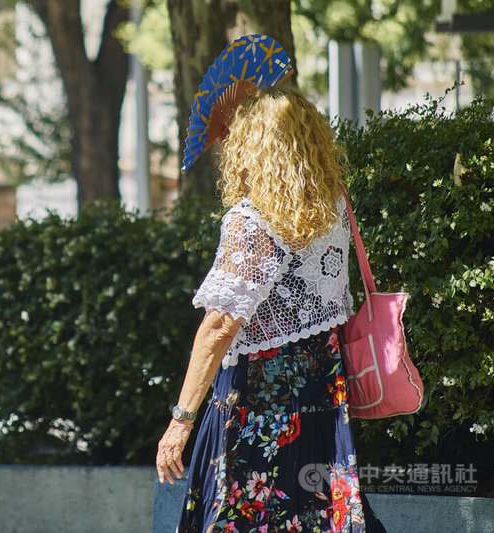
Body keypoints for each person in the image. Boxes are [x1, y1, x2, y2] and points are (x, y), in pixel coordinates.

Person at [156, 84, 386, 533]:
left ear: (253, 146)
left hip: (257, 403)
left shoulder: (254, 218)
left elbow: (220, 326)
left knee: (249, 515)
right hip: (320, 393)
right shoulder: (333, 206)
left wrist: (180, 422)